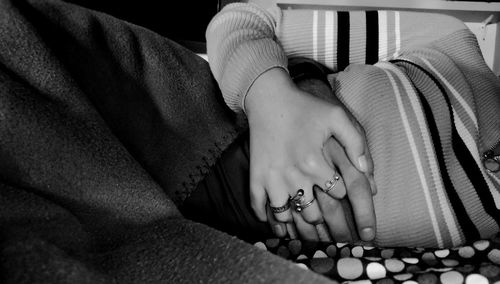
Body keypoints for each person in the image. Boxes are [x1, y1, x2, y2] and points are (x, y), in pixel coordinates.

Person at [0, 0, 339, 283]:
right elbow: (242, 20)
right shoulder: (389, 43)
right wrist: (274, 94)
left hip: (195, 232)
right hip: (175, 117)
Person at [193, 2, 500, 248]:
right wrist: (275, 97)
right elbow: (241, 20)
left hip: (207, 247)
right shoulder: (450, 42)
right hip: (188, 123)